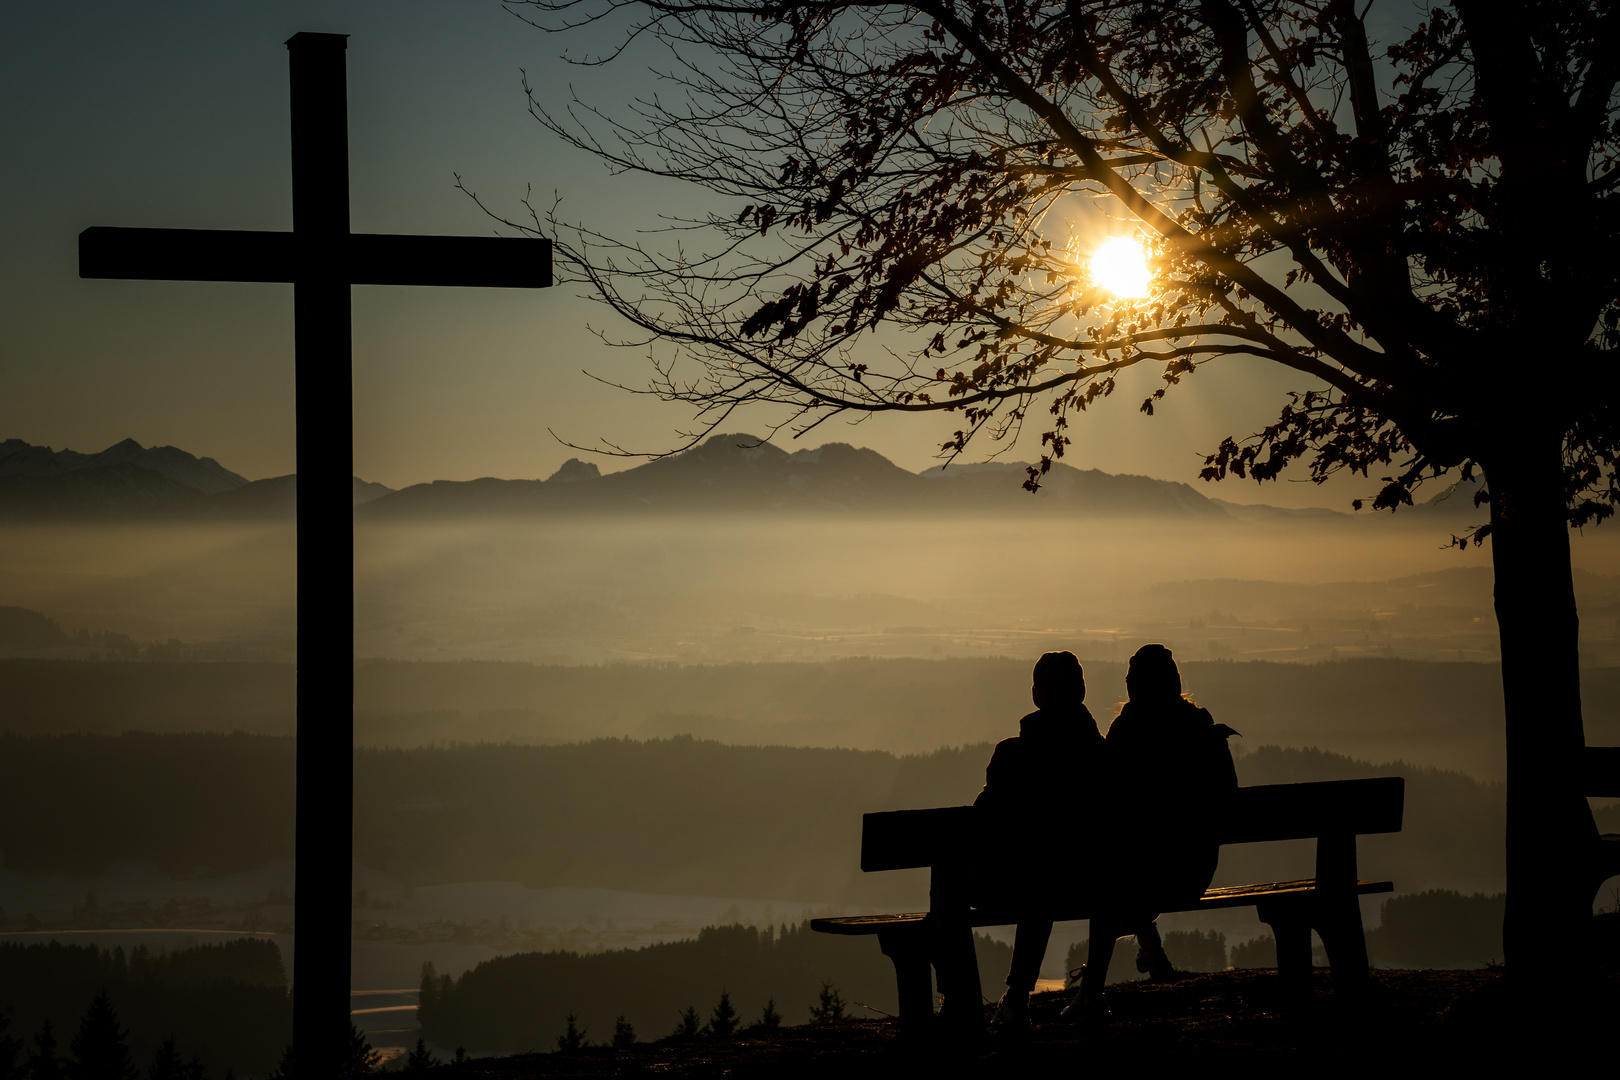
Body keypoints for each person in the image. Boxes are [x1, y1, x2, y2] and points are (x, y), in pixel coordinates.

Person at [1065, 643, 1239, 1020]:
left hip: (1144, 872)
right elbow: (1228, 799)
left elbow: (1103, 800)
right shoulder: (1202, 728)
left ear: (1137, 685)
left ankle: (1093, 988)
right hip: (1194, 871)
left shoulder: (1129, 730)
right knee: (1126, 871)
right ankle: (1149, 952)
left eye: (1129, 679)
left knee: (1114, 878)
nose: (1126, 686)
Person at [967, 650, 1105, 1031]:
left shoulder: (1013, 755)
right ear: (1080, 692)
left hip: (1022, 887)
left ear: (1037, 695)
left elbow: (982, 822)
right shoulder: (1103, 757)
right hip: (1092, 883)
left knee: (1037, 881)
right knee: (1046, 877)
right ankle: (1085, 992)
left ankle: (1012, 1001)